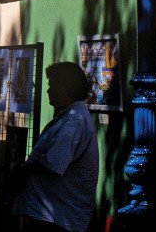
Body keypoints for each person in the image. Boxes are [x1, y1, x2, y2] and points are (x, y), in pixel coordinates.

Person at [11, 62, 99, 232]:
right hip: (54, 214)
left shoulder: (73, 120)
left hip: (57, 218)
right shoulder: (71, 117)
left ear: (65, 88)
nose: (48, 90)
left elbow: (53, 164)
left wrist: (24, 170)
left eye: (52, 85)